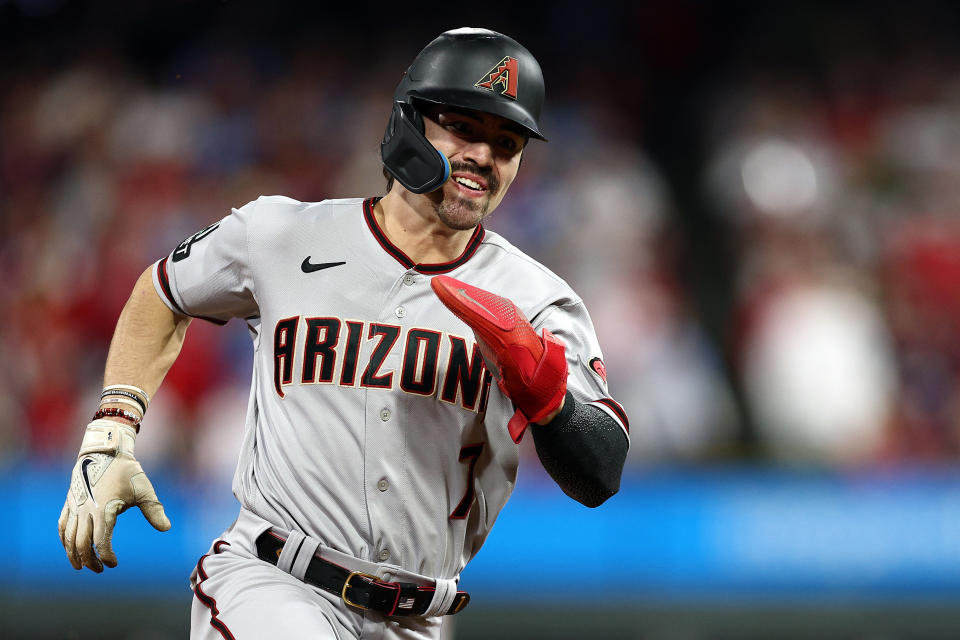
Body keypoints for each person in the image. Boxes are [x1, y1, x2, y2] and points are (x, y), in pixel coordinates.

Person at [58, 27, 629, 639]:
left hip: (419, 616)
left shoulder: (536, 300)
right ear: (410, 122)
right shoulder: (281, 235)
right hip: (275, 582)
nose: (484, 156)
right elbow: (163, 290)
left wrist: (551, 403)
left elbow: (600, 473)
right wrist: (112, 428)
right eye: (464, 127)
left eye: (507, 142)